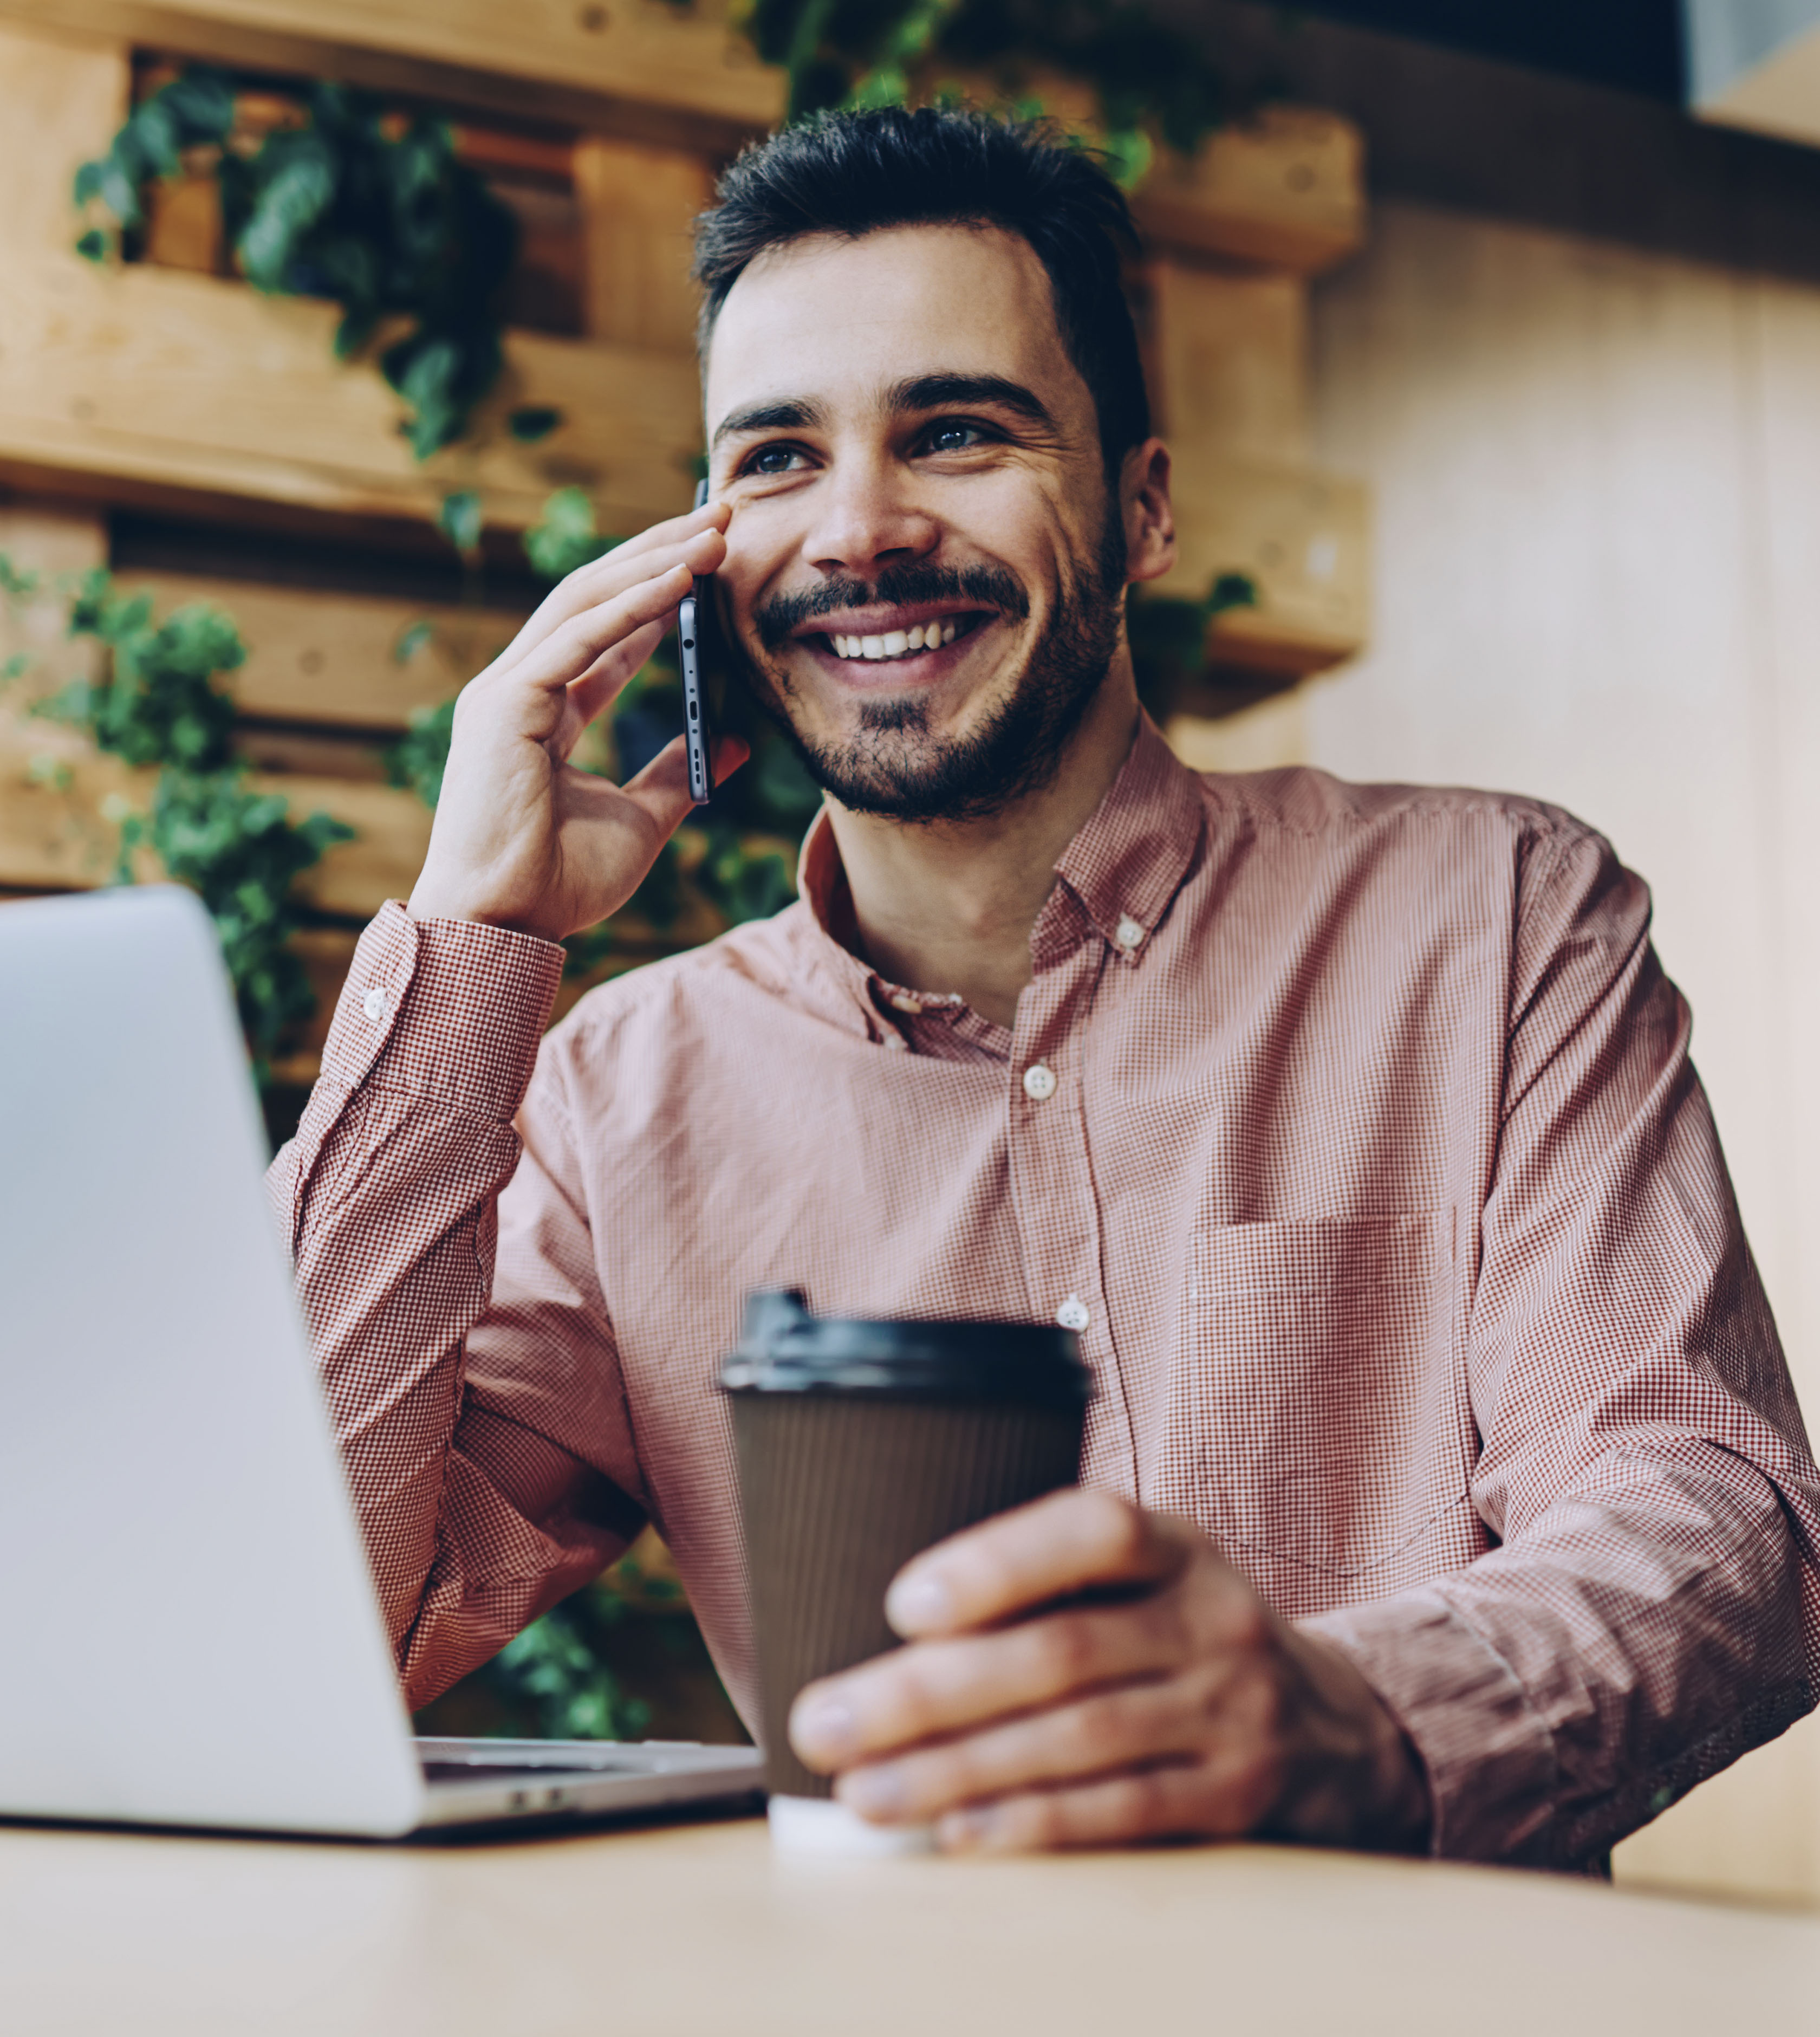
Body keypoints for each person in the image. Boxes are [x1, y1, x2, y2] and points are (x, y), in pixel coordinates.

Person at [272, 105, 1820, 1867]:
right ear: (703, 549)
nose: (857, 529)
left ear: (1142, 507)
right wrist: (477, 937)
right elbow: (303, 1637)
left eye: (954, 432)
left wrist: (1342, 1710)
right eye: (776, 459)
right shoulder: (622, 1087)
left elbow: (1717, 1516)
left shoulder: (1504, 916)